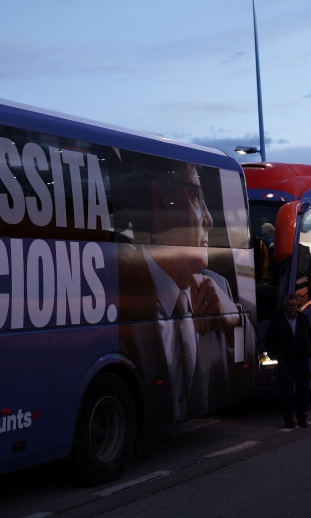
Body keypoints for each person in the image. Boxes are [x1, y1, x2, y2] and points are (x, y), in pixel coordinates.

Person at [115, 156, 246, 423]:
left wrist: (236, 326)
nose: (209, 220)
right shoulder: (117, 292)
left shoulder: (220, 288)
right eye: (197, 198)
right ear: (162, 199)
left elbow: (245, 373)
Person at [264, 294, 311, 429]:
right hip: (286, 361)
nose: (292, 308)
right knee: (286, 391)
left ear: (297, 306)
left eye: (294, 305)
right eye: (289, 305)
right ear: (285, 306)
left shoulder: (303, 319)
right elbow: (269, 339)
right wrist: (275, 355)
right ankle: (288, 419)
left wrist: (310, 352)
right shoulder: (277, 320)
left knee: (303, 390)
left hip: (302, 361)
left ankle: (302, 417)